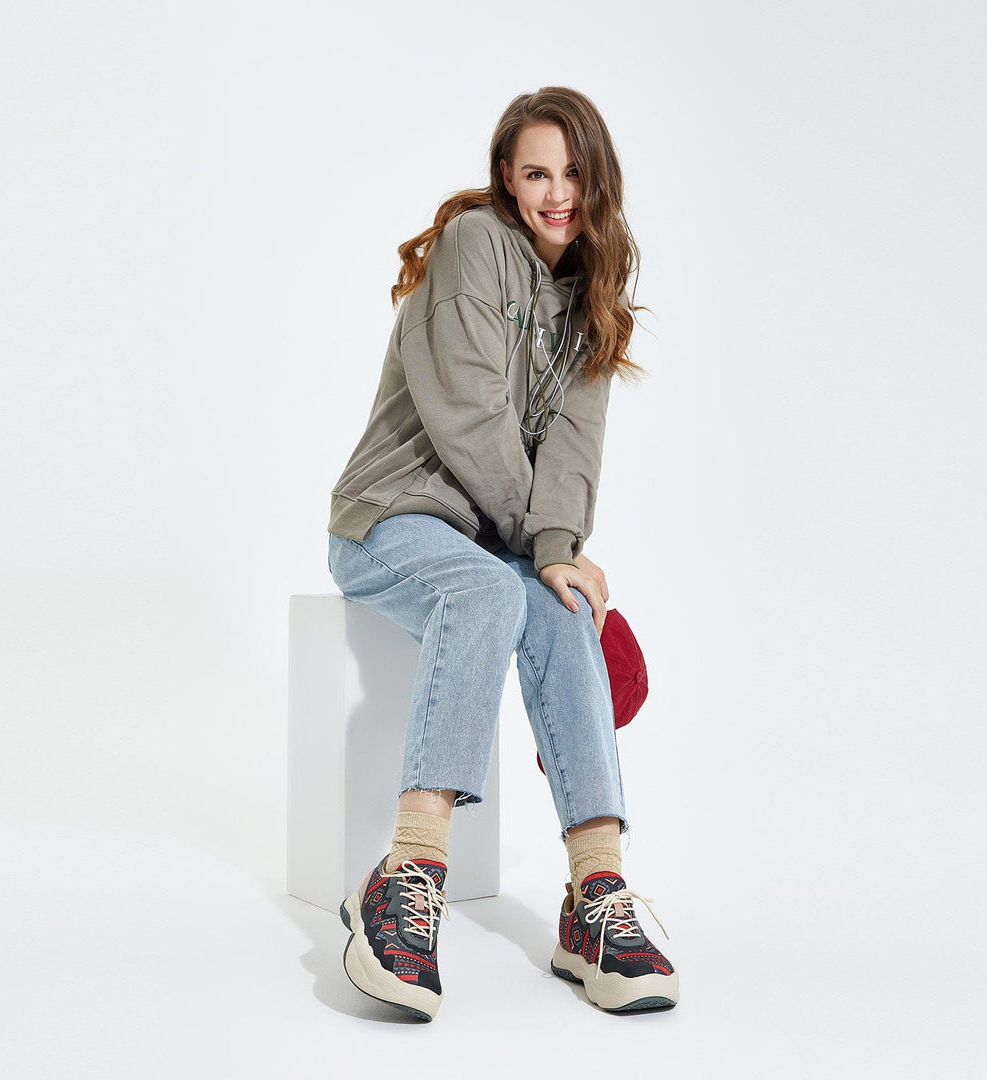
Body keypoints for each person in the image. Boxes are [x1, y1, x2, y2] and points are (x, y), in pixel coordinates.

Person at [326, 86, 677, 1021]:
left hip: (490, 534)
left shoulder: (596, 296)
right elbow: (469, 415)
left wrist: (558, 553)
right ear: (508, 181)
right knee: (492, 593)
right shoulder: (474, 244)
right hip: (392, 518)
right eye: (536, 173)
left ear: (598, 181)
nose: (557, 194)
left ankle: (596, 895)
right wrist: (542, 545)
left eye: (573, 173)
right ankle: (406, 875)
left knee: (559, 601)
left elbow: (574, 452)